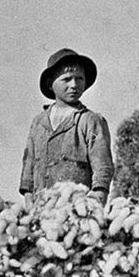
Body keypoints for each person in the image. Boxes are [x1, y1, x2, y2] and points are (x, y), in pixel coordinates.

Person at [19, 48, 114, 204]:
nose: (74, 85)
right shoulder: (38, 123)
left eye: (79, 79)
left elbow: (102, 166)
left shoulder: (90, 121)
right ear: (50, 84)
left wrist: (97, 198)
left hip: (76, 210)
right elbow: (28, 166)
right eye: (67, 79)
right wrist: (29, 198)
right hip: (41, 208)